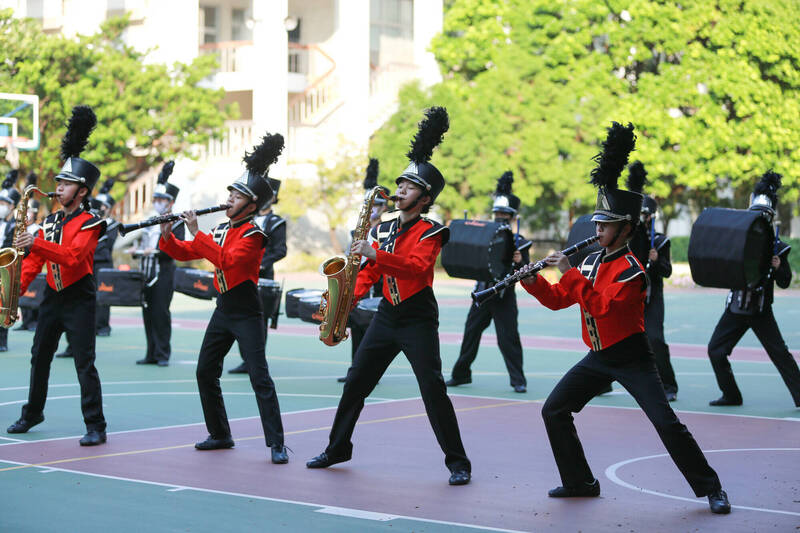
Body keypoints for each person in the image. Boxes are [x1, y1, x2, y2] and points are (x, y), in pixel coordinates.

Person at [518, 122, 730, 514]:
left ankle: (711, 487)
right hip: (598, 356)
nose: (597, 229)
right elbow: (559, 300)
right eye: (596, 223)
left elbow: (600, 306)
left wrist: (568, 270)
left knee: (666, 424)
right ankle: (580, 481)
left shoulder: (633, 271)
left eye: (605, 224)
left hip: (631, 356)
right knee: (554, 409)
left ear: (626, 229)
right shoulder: (592, 260)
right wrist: (532, 281)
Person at [306, 107, 472, 486]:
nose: (398, 192)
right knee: (356, 382)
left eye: (407, 188)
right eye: (399, 186)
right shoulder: (384, 229)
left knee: (432, 389)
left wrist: (374, 253)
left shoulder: (432, 231)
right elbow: (371, 273)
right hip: (387, 315)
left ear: (425, 197)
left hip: (417, 317)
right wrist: (343, 302)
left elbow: (415, 267)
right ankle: (337, 447)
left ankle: (458, 461)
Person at [158, 133, 289, 464]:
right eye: (230, 192)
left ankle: (276, 443)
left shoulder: (255, 234)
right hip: (223, 309)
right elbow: (189, 251)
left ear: (252, 205)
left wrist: (196, 231)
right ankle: (220, 433)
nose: (229, 198)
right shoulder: (220, 229)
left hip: (246, 311)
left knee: (259, 377)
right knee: (205, 371)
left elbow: (228, 261)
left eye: (237, 194)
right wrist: (168, 235)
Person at [7, 105, 108, 446]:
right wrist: (11, 290)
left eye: (66, 183)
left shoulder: (92, 222)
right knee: (40, 356)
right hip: (52, 297)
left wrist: (35, 242)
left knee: (84, 363)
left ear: (82, 191)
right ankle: (32, 412)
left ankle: (96, 425)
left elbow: (73, 258)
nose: (59, 187)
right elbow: (35, 264)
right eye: (59, 182)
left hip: (79, 297)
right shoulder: (49, 222)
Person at [707, 170, 800, 407]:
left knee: (780, 354)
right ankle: (731, 395)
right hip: (736, 307)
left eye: (763, 215)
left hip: (760, 310)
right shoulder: (738, 240)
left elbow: (785, 282)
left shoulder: (778, 247)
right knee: (715, 350)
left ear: (769, 218)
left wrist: (779, 267)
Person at [447, 171, 531, 393]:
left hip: (504, 297)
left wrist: (520, 261)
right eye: (497, 213)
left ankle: (518, 380)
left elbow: (527, 272)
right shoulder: (485, 236)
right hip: (482, 294)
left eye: (505, 213)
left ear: (512, 217)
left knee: (508, 338)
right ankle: (461, 374)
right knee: (470, 334)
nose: (500, 216)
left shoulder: (519, 242)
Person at [626, 161, 678, 401]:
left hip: (653, 295)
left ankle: (669, 385)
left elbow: (666, 272)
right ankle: (602, 383)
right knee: (618, 338)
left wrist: (656, 260)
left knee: (655, 338)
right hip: (630, 295)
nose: (643, 219)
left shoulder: (660, 241)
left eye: (646, 215)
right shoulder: (629, 236)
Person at [336, 157, 389, 383]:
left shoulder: (386, 230)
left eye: (377, 204)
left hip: (376, 286)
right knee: (357, 327)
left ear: (384, 207)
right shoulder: (357, 230)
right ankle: (356, 369)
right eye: (370, 205)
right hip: (358, 283)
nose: (373, 209)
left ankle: (370, 371)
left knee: (374, 331)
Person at [54, 179, 120, 358]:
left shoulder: (110, 224)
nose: (101, 209)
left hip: (103, 263)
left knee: (102, 297)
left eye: (105, 206)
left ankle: (103, 326)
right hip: (87, 263)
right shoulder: (85, 221)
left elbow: (106, 244)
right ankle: (70, 345)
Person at [228, 176, 286, 374]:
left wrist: (261, 264)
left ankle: (256, 359)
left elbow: (280, 250)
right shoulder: (246, 219)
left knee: (259, 319)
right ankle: (245, 359)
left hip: (263, 275)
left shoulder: (277, 222)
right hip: (241, 275)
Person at [133, 161, 184, 367]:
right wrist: (137, 251)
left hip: (163, 272)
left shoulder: (177, 221)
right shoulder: (150, 220)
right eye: (156, 198)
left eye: (162, 199)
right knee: (147, 312)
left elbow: (176, 247)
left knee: (161, 313)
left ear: (170, 203)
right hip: (146, 271)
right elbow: (145, 244)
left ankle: (163, 354)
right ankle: (151, 353)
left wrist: (153, 251)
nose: (157, 202)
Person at [16, 172, 42, 332]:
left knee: (32, 293)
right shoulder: (20, 228)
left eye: (29, 212)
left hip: (31, 265)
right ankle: (25, 321)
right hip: (19, 264)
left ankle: (32, 321)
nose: (26, 215)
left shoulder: (38, 230)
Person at [0, 169, 21, 351]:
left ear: (12, 206)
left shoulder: (15, 226)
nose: (1, 205)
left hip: (4, 267)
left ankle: (2, 341)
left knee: (3, 303)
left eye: (4, 203)